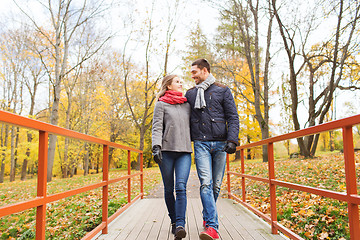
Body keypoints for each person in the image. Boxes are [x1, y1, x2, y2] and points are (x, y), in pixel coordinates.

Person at [185, 59, 239, 240]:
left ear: (205, 70)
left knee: (216, 186)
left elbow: (232, 117)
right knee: (206, 183)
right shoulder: (190, 94)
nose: (191, 75)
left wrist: (232, 140)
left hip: (221, 143)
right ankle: (212, 227)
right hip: (200, 142)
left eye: (194, 72)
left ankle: (207, 217)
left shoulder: (223, 90)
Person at [152, 74, 192, 240]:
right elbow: (156, 128)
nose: (181, 83)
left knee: (181, 187)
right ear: (168, 86)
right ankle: (174, 222)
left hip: (184, 152)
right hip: (166, 151)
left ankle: (181, 224)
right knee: (169, 189)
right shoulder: (161, 105)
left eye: (181, 81)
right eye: (177, 81)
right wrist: (156, 147)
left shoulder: (187, 104)